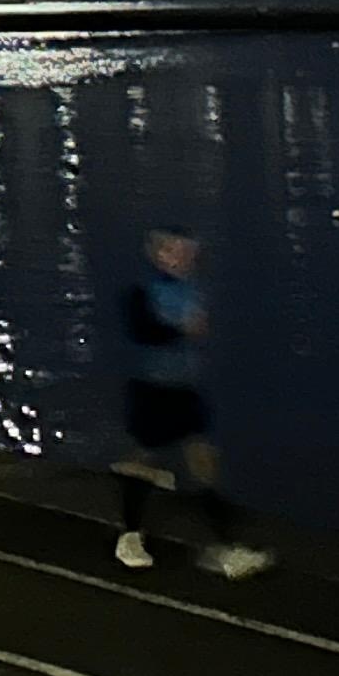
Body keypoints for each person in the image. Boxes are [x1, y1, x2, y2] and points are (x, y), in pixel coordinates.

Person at [115, 227, 270, 578]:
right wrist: (183, 331)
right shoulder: (141, 291)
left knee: (203, 462)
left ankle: (222, 547)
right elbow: (143, 332)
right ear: (158, 254)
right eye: (176, 251)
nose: (185, 259)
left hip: (185, 390)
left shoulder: (194, 290)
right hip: (151, 391)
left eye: (189, 253)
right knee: (142, 461)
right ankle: (129, 536)